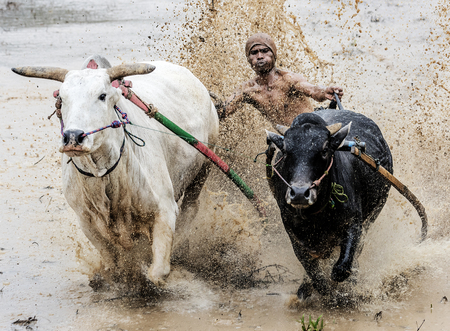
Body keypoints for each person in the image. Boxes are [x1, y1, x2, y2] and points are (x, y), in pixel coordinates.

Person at [216, 33, 344, 127]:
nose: (260, 56)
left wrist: (325, 91)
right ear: (248, 59)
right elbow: (222, 112)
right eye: (254, 52)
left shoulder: (288, 79)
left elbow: (313, 90)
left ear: (274, 54)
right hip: (288, 142)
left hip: (311, 131)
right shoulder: (248, 90)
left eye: (265, 51)